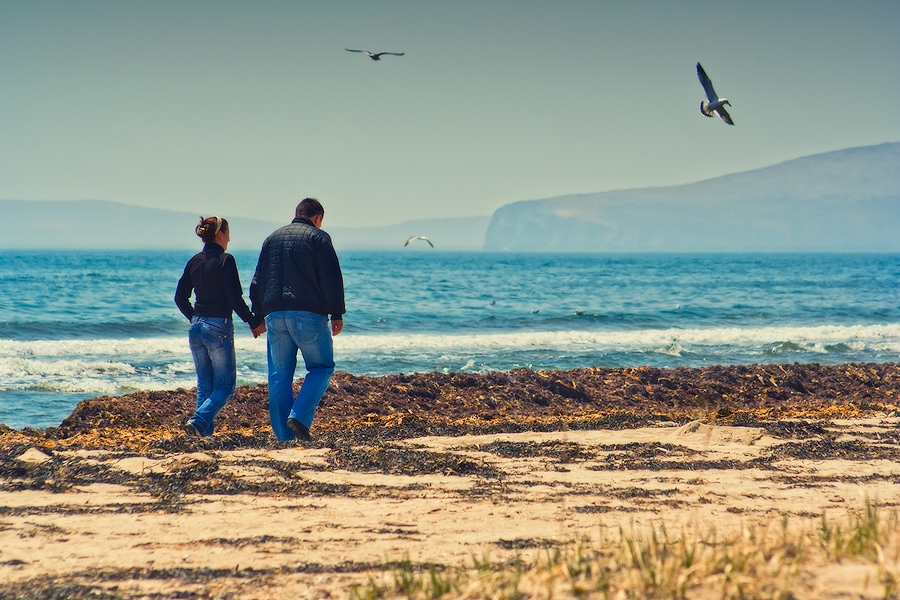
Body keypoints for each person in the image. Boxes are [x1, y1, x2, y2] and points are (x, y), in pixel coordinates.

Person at [250, 198, 345, 442]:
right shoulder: (319, 238)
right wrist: (336, 313)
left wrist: (258, 316)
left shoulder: (271, 239)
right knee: (321, 367)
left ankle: (285, 438)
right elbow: (331, 278)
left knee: (279, 375)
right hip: (308, 314)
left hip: (274, 316)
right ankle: (300, 416)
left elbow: (257, 282)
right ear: (318, 218)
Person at [175, 216, 266, 437]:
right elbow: (234, 298)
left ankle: (203, 437)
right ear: (220, 235)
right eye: (228, 233)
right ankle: (198, 421)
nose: (230, 238)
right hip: (218, 327)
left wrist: (196, 318)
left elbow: (180, 298)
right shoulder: (226, 260)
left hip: (196, 327)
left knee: (205, 386)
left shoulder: (194, 261)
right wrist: (254, 322)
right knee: (225, 387)